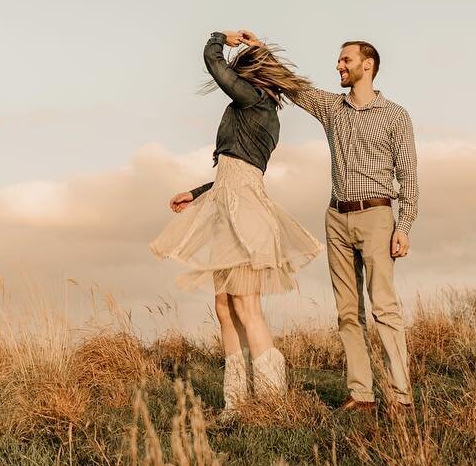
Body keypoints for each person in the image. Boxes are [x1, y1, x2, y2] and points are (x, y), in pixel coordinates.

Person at [239, 31, 416, 414]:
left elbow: (410, 176)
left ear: (367, 66)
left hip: (378, 216)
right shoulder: (333, 108)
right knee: (347, 311)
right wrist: (260, 51)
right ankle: (362, 394)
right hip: (336, 215)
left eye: (345, 60)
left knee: (383, 307)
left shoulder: (396, 116)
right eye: (339, 61)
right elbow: (295, 87)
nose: (339, 65)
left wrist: (404, 226)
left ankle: (401, 397)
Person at [150, 30, 322, 421]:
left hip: (246, 214)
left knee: (246, 305)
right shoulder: (255, 107)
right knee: (224, 306)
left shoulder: (257, 102)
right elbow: (231, 168)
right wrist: (196, 193)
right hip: (228, 209)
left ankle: (273, 402)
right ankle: (237, 404)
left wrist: (219, 38)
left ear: (250, 77)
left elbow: (215, 66)